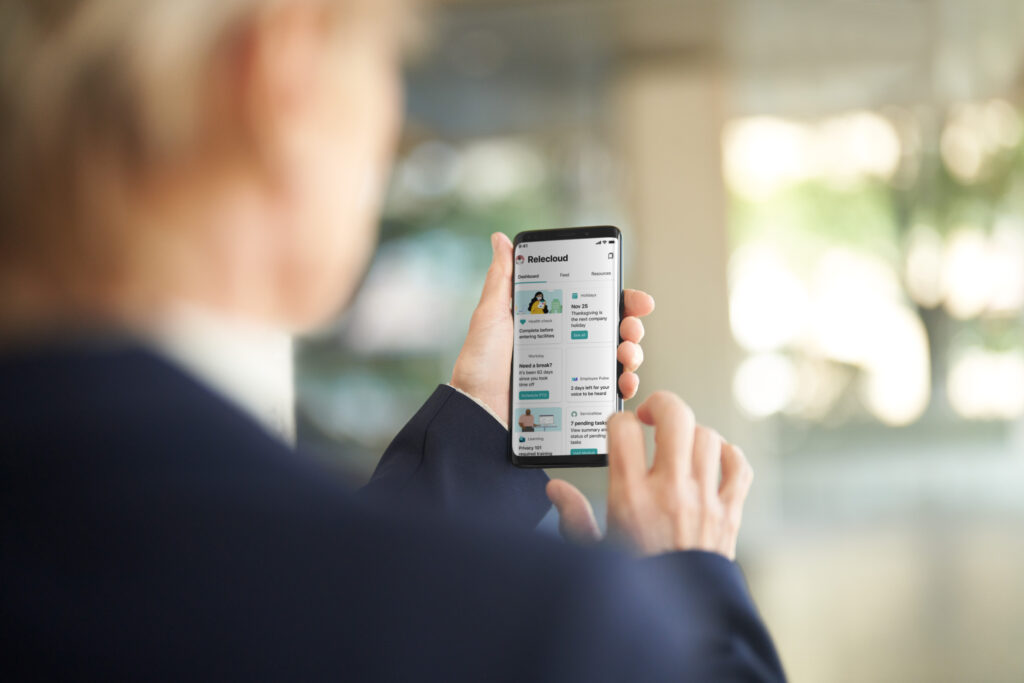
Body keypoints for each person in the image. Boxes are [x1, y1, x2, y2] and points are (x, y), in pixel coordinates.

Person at [0, 0, 785, 681]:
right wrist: (694, 587)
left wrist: (483, 410)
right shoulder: (549, 631)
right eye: (386, 70)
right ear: (286, 71)